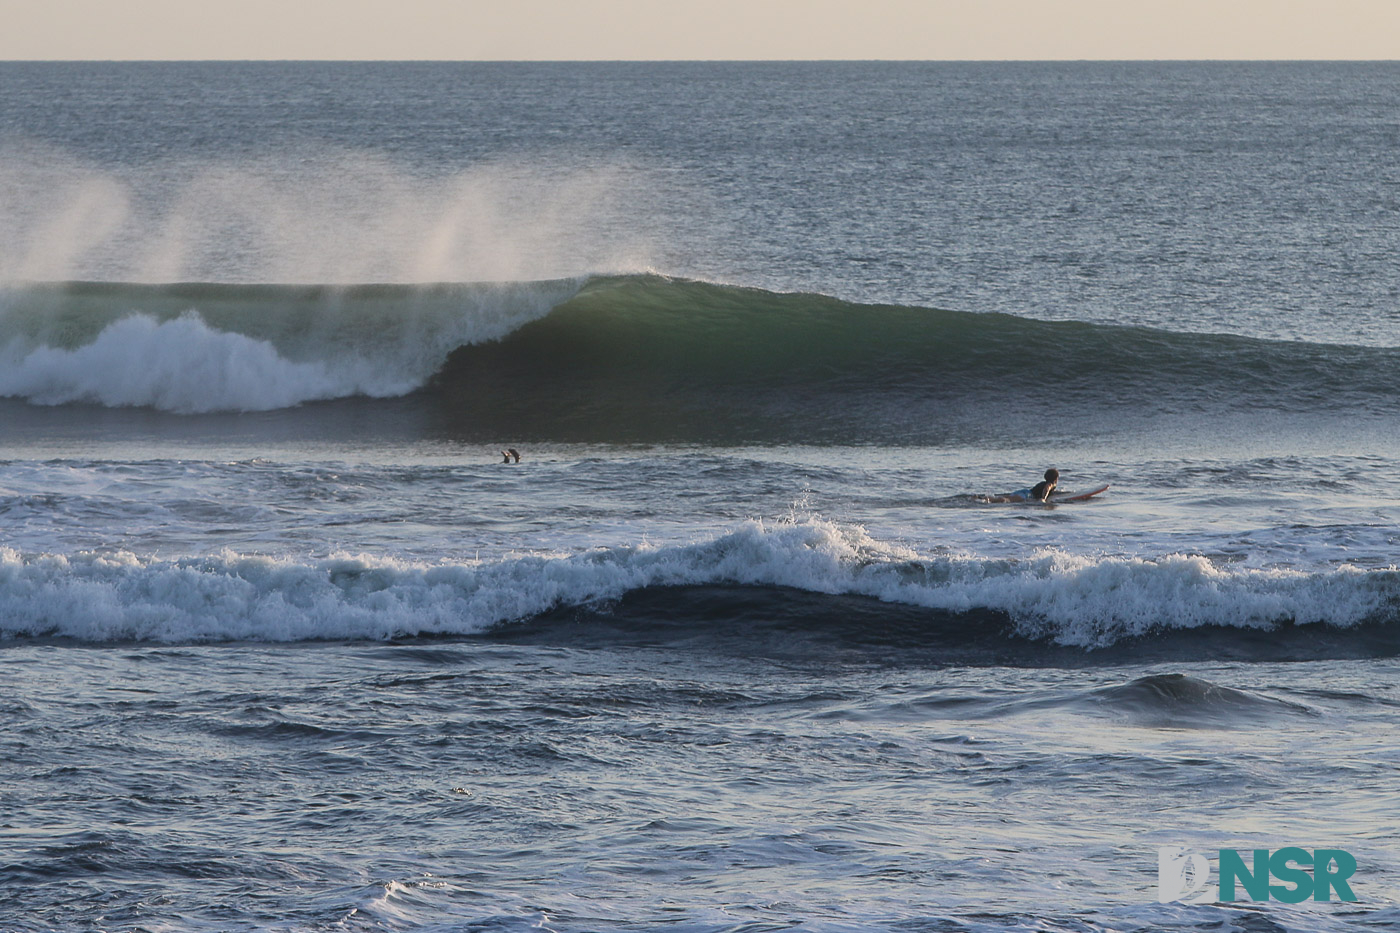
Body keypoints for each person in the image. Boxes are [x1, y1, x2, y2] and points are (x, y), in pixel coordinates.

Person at [979, 468, 1059, 503]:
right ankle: (984, 499)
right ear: (1055, 478)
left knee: (1007, 499)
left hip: (1025, 492)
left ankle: (982, 498)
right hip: (1028, 495)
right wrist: (1043, 499)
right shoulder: (1051, 484)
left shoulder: (1044, 483)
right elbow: (1047, 488)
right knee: (1006, 500)